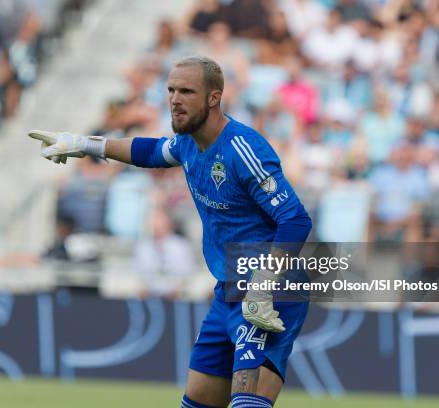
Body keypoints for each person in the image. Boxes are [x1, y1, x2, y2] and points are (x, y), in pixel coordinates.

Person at [28, 56, 311, 408]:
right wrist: (86, 144)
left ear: (213, 98)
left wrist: (264, 283)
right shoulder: (189, 144)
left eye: (187, 91)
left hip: (269, 288)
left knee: (247, 402)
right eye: (171, 90)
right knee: (199, 401)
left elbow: (296, 219)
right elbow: (148, 151)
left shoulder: (243, 147)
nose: (175, 99)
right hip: (229, 289)